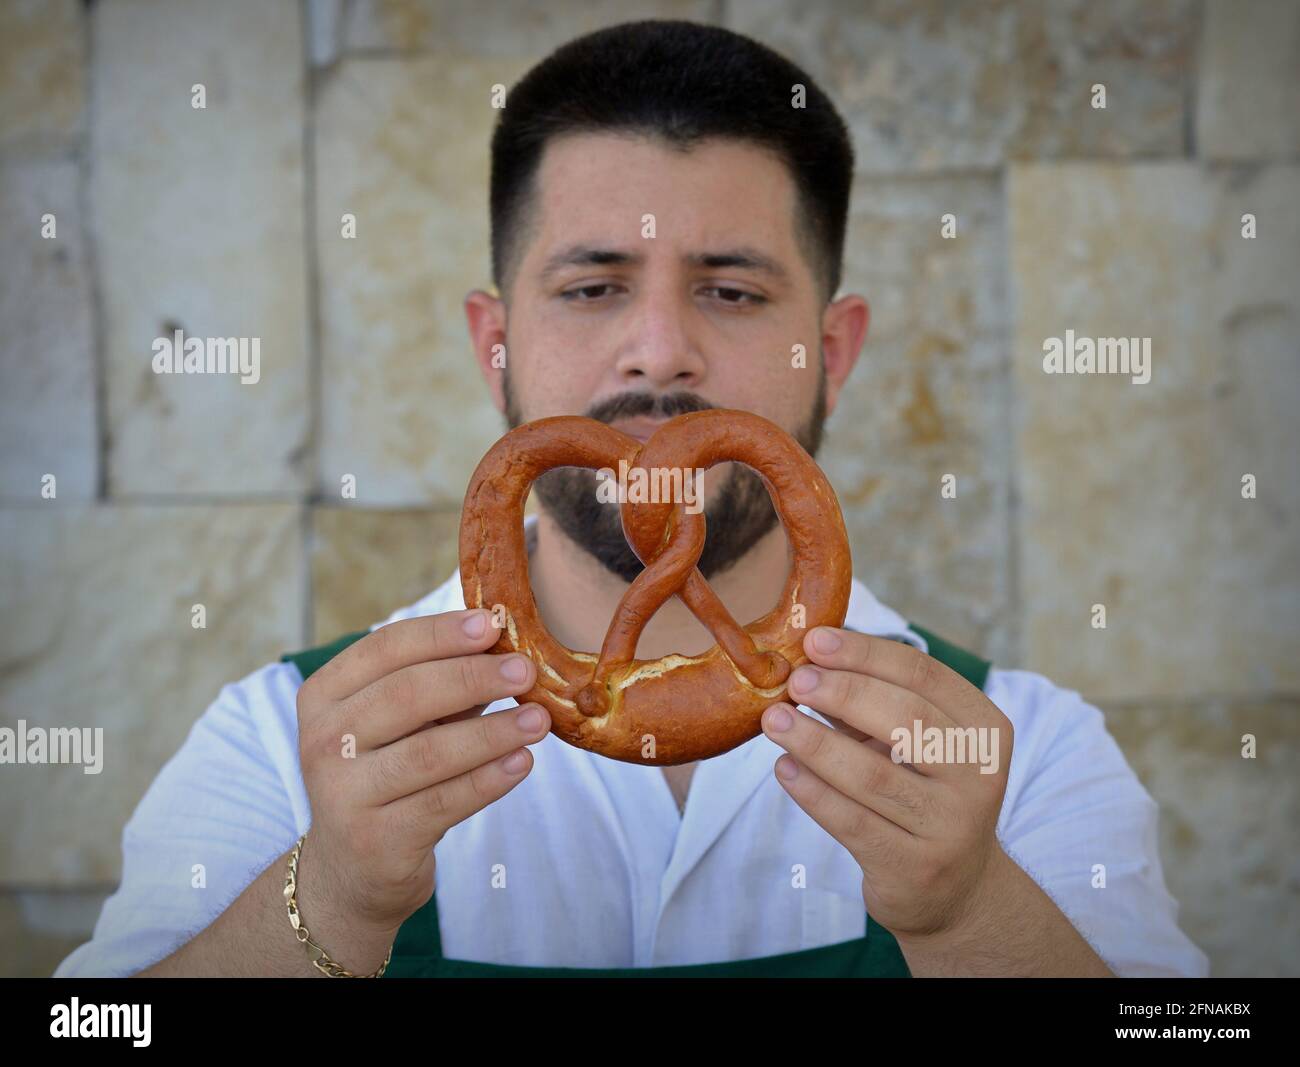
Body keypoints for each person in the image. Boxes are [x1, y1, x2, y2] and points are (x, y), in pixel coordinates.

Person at [55, 19, 1208, 979]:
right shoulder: (280, 740)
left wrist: (971, 918)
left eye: (732, 290)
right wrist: (333, 900)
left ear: (833, 351)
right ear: (494, 345)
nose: (659, 353)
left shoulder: (1026, 752)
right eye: (594, 286)